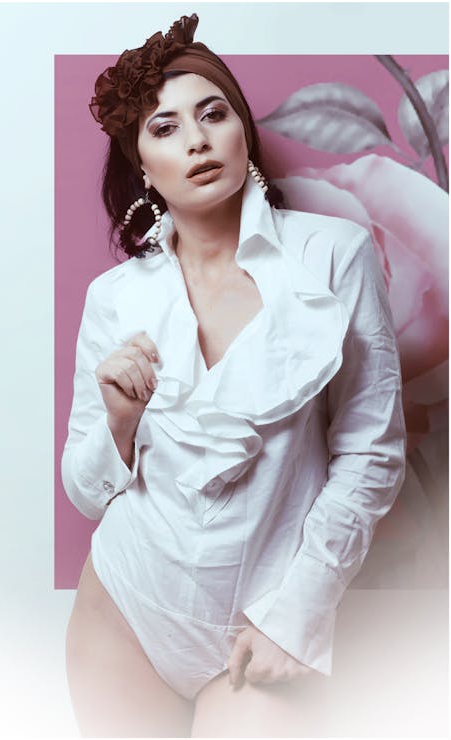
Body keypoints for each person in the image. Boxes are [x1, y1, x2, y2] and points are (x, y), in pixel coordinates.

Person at [62, 13, 406, 738]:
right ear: (142, 165)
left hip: (263, 622)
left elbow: (371, 454)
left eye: (212, 113)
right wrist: (120, 425)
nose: (195, 140)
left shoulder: (334, 256)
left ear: (242, 129)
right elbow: (86, 492)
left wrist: (298, 616)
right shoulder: (115, 298)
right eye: (164, 128)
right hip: (123, 611)